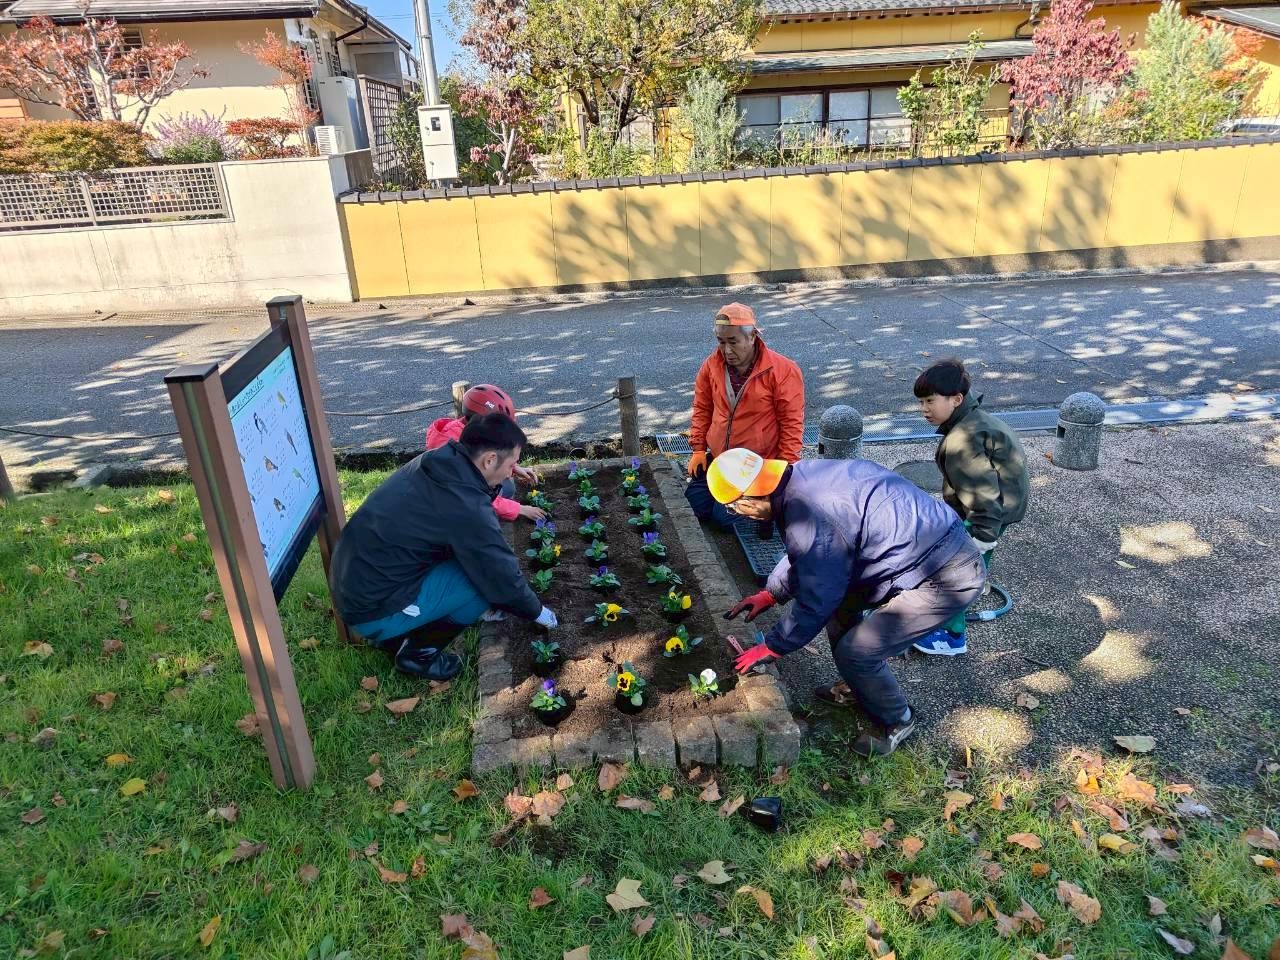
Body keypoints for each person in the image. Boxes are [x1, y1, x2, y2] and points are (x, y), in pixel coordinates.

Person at [710, 447, 985, 757]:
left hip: (945, 576)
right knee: (840, 610)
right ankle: (860, 686)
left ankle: (897, 720)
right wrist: (772, 592)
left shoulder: (809, 511)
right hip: (920, 550)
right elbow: (812, 556)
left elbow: (817, 592)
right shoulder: (801, 479)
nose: (738, 515)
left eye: (733, 509)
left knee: (857, 652)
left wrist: (774, 645)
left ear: (747, 502)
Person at [330, 413, 558, 682]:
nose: (512, 472)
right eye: (511, 464)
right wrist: (538, 612)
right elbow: (498, 571)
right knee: (482, 583)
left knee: (473, 567)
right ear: (489, 460)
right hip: (371, 608)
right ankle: (418, 654)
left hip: (356, 584)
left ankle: (397, 633)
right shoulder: (465, 505)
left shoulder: (439, 462)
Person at [910, 360, 1029, 657]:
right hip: (1000, 507)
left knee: (956, 574)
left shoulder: (962, 440)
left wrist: (981, 538)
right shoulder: (974, 420)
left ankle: (952, 637)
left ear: (956, 399)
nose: (924, 409)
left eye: (930, 401)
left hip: (987, 515)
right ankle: (975, 581)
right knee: (967, 568)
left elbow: (983, 494)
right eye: (921, 402)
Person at [685, 303, 805, 530]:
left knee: (723, 520)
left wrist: (783, 471)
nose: (727, 350)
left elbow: (791, 423)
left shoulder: (782, 370)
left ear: (752, 337)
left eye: (733, 342)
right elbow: (702, 408)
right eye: (721, 342)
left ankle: (770, 508)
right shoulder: (711, 366)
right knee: (693, 506)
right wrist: (698, 449)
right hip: (721, 460)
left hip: (756, 465)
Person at [426, 383, 546, 523]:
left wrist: (513, 467)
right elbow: (473, 494)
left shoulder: (465, 433)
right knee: (504, 487)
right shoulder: (455, 454)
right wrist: (520, 509)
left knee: (506, 485)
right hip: (443, 515)